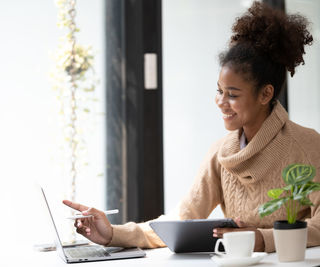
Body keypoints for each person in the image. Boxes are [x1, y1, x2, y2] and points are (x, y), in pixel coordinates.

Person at [63, 2, 320, 253]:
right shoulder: (221, 154)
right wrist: (112, 233)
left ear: (265, 94)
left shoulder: (307, 146)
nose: (220, 102)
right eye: (219, 91)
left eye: (232, 94)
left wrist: (261, 240)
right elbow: (180, 221)